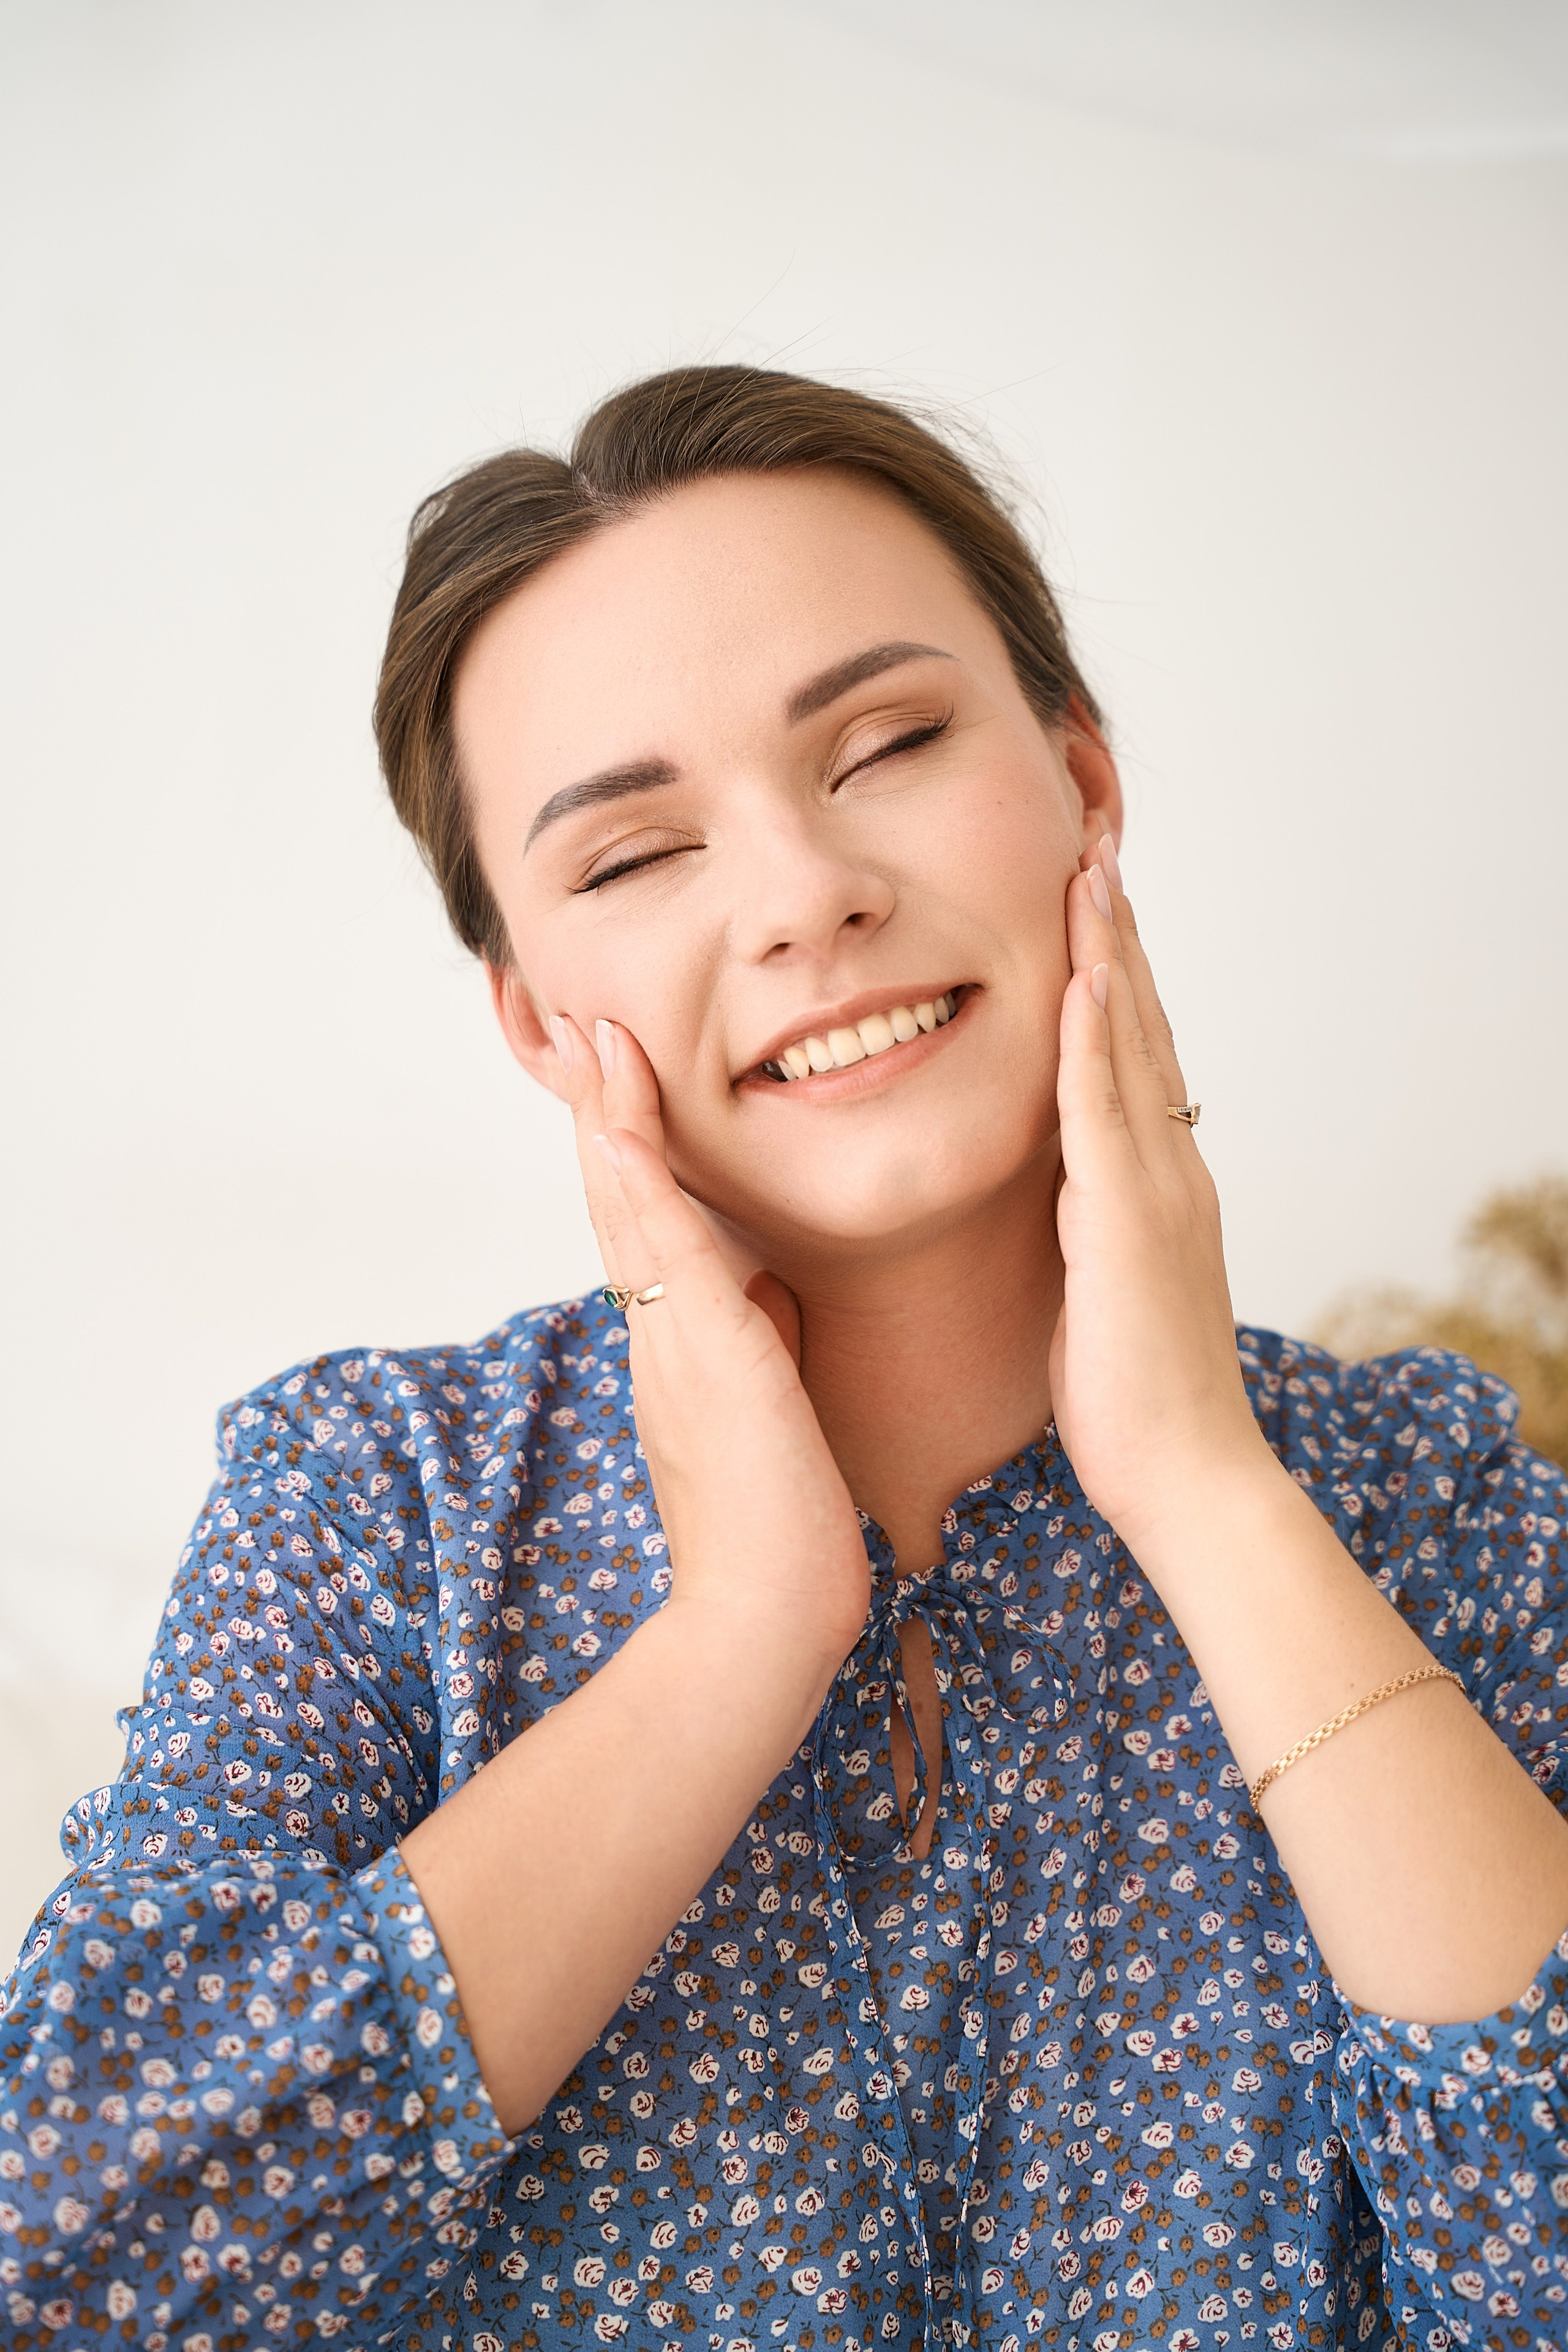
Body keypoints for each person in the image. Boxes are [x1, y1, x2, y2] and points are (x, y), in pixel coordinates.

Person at [4, 365, 1566, 2352]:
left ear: (1084, 782)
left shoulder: (1430, 1493)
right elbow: (65, 2261)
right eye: (631, 855)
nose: (805, 895)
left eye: (888, 744)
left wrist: (1206, 1485)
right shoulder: (378, 1504)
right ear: (531, 1012)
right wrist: (740, 1634)